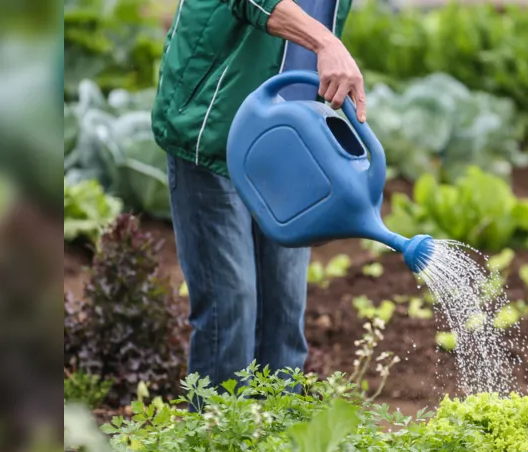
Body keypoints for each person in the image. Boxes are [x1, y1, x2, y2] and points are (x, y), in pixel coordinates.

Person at [151, 0, 366, 402]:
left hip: (289, 141)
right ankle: (218, 450)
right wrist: (325, 43)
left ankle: (276, 447)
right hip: (213, 130)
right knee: (231, 305)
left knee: (285, 311)